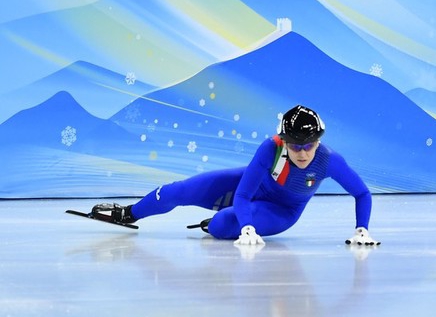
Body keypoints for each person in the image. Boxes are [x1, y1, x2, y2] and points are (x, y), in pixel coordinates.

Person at [88, 105, 379, 246]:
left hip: (282, 210)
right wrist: (249, 227)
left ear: (319, 142)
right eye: (295, 146)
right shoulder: (271, 148)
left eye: (309, 146)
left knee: (223, 224)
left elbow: (362, 193)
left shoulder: (329, 161)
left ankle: (214, 222)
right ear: (284, 142)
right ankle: (129, 213)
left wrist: (361, 229)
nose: (303, 153)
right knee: (179, 190)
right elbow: (243, 192)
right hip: (251, 190)